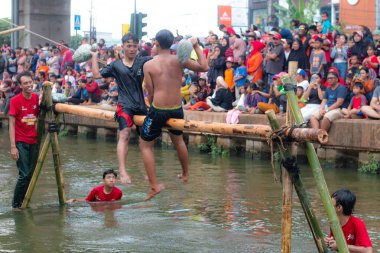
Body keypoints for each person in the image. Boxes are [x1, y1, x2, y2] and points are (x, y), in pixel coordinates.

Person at [140, 29, 208, 200]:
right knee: (178, 140)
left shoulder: (148, 64)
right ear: (172, 43)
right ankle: (185, 174)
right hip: (177, 107)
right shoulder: (179, 60)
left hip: (159, 108)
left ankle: (154, 185)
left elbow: (149, 91)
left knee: (145, 144)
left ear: (156, 43)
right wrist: (197, 46)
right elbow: (204, 66)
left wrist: (153, 109)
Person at [91, 32, 152, 185]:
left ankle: (148, 171)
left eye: (135, 46)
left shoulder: (143, 61)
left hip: (141, 105)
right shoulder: (116, 65)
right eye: (129, 46)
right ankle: (123, 170)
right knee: (124, 133)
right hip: (125, 105)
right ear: (123, 46)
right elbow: (97, 75)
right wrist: (93, 56)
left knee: (146, 139)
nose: (132, 49)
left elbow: (161, 61)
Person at [8, 71, 39, 210]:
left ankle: (25, 202)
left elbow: (38, 117)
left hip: (33, 141)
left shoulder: (36, 98)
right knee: (24, 174)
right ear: (20, 86)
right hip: (20, 141)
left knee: (30, 174)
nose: (28, 85)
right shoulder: (15, 100)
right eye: (25, 83)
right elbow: (12, 124)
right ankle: (16, 205)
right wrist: (13, 146)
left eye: (30, 82)